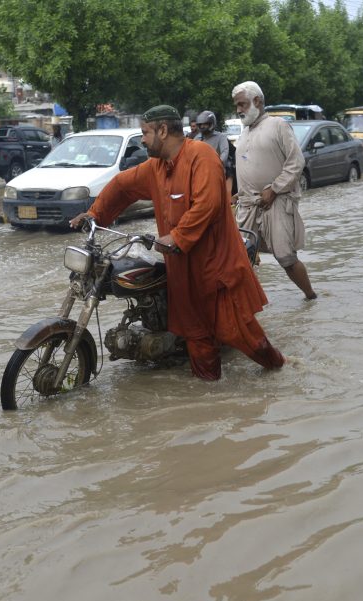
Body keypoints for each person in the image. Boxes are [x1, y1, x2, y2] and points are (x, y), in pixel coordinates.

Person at [69, 104, 284, 381]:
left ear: (162, 130)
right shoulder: (155, 167)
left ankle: (278, 367)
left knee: (241, 335)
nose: (143, 139)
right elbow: (122, 185)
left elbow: (207, 204)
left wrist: (178, 236)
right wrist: (95, 214)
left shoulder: (201, 156)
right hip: (182, 271)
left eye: (145, 133)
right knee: (196, 339)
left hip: (216, 269)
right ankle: (209, 396)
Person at [231, 80, 317, 300]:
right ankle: (247, 307)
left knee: (285, 257)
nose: (238, 110)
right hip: (248, 205)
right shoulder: (244, 133)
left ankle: (310, 297)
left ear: (257, 101)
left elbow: (296, 162)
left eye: (241, 104)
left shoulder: (278, 125)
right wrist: (238, 195)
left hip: (276, 201)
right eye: (237, 105)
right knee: (240, 258)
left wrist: (275, 189)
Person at [195, 110, 233, 198]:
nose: (202, 126)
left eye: (205, 124)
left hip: (217, 173)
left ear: (211, 123)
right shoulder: (197, 138)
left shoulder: (221, 137)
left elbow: (224, 153)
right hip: (200, 174)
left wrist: (215, 164)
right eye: (200, 124)